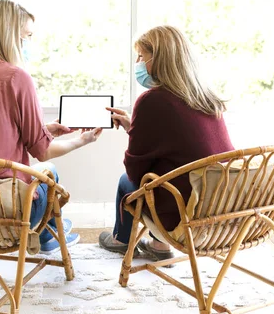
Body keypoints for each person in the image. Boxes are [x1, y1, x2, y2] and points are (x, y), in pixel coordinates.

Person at [0, 0, 102, 253]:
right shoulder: (16, 77)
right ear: (11, 37)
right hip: (3, 208)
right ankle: (48, 236)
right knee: (50, 172)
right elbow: (43, 152)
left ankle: (49, 234)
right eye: (27, 36)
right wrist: (83, 140)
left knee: (38, 174)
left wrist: (43, 128)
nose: (28, 44)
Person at [98, 25, 234, 261]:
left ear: (159, 59)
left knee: (127, 182)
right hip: (219, 205)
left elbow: (135, 170)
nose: (138, 63)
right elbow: (184, 144)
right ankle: (159, 248)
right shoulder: (206, 97)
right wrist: (136, 128)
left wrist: (136, 135)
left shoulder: (153, 100)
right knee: (170, 173)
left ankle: (121, 240)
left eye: (141, 56)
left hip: (182, 212)